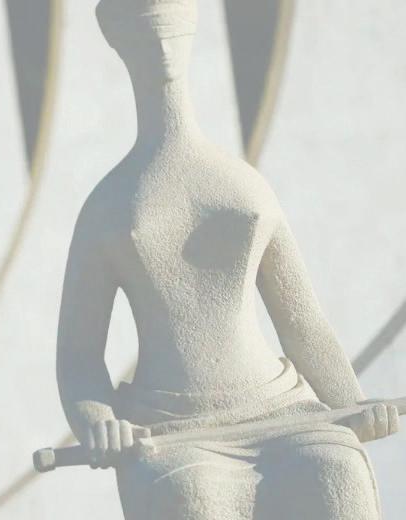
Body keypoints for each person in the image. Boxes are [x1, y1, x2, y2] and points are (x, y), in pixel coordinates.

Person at [56, 1, 398, 518]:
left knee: (337, 473)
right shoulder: (107, 207)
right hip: (171, 426)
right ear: (122, 48)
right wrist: (98, 420)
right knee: (193, 498)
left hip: (280, 408)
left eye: (170, 34)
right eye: (149, 37)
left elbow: (302, 322)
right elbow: (78, 356)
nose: (162, 49)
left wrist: (351, 402)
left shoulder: (243, 184)